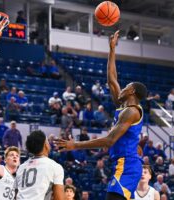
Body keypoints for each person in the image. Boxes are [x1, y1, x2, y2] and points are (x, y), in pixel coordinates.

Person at [55, 30, 148, 200]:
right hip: (122, 164)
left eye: (126, 87)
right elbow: (112, 79)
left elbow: (109, 140)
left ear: (132, 91)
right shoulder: (123, 106)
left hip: (127, 165)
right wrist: (112, 50)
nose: (122, 88)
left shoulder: (132, 111)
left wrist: (74, 145)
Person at [14, 130, 64, 200]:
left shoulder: (21, 167)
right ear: (45, 145)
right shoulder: (54, 166)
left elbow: (15, 195)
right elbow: (59, 198)